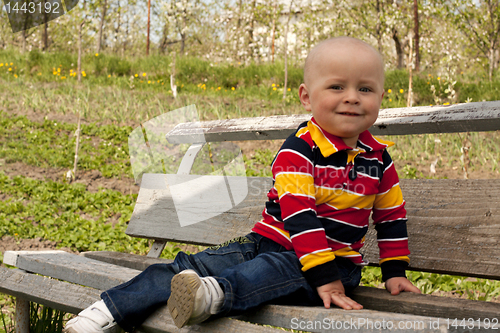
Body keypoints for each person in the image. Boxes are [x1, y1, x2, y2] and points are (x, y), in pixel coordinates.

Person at [64, 36, 421, 333]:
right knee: (190, 264)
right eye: (337, 87)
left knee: (269, 272)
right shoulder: (298, 150)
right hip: (265, 243)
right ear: (306, 96)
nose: (352, 97)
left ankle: (211, 297)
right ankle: (105, 312)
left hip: (332, 266)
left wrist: (393, 272)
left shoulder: (378, 158)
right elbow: (300, 216)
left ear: (380, 98)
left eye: (365, 88)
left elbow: (390, 217)